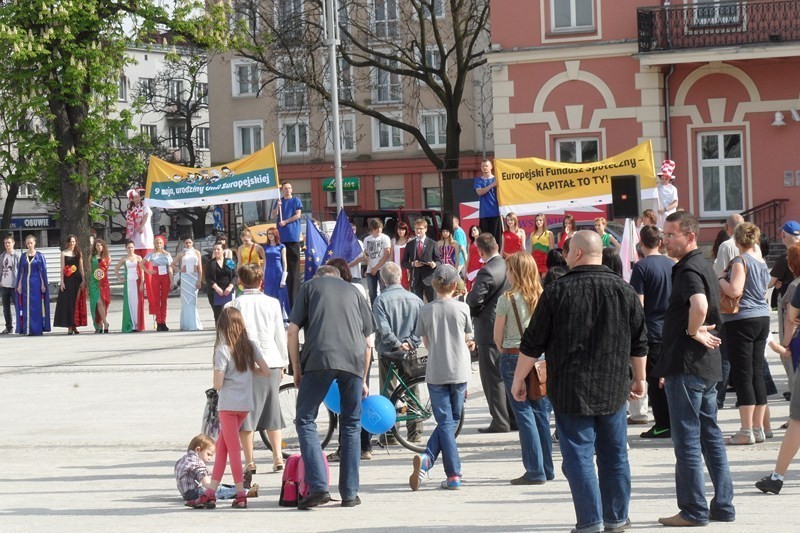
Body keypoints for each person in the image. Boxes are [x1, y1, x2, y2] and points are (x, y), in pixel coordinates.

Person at [511, 230, 646, 533]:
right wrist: (640, 379)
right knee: (615, 454)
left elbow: (533, 342)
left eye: (569, 249)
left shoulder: (557, 291)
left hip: (570, 388)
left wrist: (518, 379)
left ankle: (590, 522)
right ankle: (616, 517)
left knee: (579, 456)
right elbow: (640, 342)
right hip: (613, 386)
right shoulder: (624, 291)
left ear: (577, 254)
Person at [656, 211, 735, 527]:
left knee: (687, 439)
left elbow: (700, 305)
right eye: (664, 234)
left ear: (689, 236)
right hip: (705, 366)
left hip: (688, 365)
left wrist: (692, 330)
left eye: (670, 234)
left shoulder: (689, 269)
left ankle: (693, 510)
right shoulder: (704, 265)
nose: (665, 240)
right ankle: (723, 506)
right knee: (710, 436)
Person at [288, 264, 375, 509]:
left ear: (319, 277)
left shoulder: (308, 287)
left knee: (305, 419)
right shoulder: (355, 291)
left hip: (319, 358)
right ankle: (349, 494)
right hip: (354, 360)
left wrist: (296, 368)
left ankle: (318, 487)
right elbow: (369, 342)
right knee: (351, 424)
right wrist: (364, 378)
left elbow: (292, 331)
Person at [192, 307, 270, 510]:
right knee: (224, 449)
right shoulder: (249, 346)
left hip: (227, 405)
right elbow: (265, 370)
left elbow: (218, 383)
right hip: (244, 405)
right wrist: (245, 370)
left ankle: (241, 494)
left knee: (233, 451)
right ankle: (210, 494)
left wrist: (227, 375)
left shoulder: (223, 349)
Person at [409, 264, 474, 491]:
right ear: (455, 285)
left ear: (433, 285)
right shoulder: (462, 308)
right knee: (451, 420)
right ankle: (452, 472)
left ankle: (429, 458)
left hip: (436, 370)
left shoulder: (425, 310)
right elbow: (467, 336)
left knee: (446, 421)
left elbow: (425, 342)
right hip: (460, 369)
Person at [493, 252, 554, 485]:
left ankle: (534, 469)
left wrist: (504, 349)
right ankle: (546, 467)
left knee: (524, 413)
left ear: (515, 273)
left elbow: (497, 337)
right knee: (541, 412)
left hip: (514, 356)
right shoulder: (543, 295)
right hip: (540, 358)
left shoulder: (507, 299)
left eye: (509, 270)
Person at [225, 264, 288, 479]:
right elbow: (280, 333)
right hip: (270, 359)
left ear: (240, 282)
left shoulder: (234, 304)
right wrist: (283, 361)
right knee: (272, 409)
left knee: (247, 413)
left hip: (244, 363)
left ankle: (250, 461)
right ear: (261, 281)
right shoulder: (272, 303)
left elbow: (228, 336)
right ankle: (278, 456)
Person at [718, 222, 771, 445]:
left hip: (742, 320)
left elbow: (735, 290)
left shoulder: (739, 261)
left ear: (737, 240)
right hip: (762, 317)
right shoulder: (760, 262)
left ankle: (746, 430)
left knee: (742, 373)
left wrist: (721, 279)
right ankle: (758, 428)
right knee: (756, 372)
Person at [326, 257, 375, 460]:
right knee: (361, 398)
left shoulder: (335, 294)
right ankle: (365, 446)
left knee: (343, 404)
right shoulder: (358, 290)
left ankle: (345, 448)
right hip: (364, 350)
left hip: (344, 352)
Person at [466, 233, 514, 434]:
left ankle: (500, 420)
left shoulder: (487, 270)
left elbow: (474, 299)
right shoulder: (506, 264)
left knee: (492, 377)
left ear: (481, 251)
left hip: (489, 327)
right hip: (508, 325)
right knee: (507, 375)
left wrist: (475, 309)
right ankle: (513, 417)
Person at [629, 225, 674, 438]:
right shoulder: (672, 264)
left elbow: (638, 304)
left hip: (652, 329)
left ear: (642, 241)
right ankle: (671, 420)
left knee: (655, 381)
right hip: (671, 328)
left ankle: (663, 424)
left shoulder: (641, 267)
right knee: (670, 378)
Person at [373, 262, 424, 443]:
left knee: (388, 390)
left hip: (388, 351)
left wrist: (396, 344)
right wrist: (409, 343)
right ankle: (415, 432)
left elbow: (383, 329)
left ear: (382, 280)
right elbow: (420, 329)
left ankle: (389, 433)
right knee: (412, 388)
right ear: (400, 277)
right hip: (410, 350)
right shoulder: (416, 299)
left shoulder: (380, 300)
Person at [176, 434, 258, 508]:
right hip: (194, 493)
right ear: (198, 450)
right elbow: (207, 483)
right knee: (218, 490)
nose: (209, 458)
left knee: (219, 486)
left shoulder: (183, 459)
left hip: (185, 493)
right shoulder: (197, 463)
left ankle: (240, 487)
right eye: (208, 454)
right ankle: (245, 491)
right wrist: (212, 489)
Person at [770, 221, 800, 397]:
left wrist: (784, 344)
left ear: (784, 236)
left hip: (791, 307)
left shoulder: (786, 257)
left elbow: (769, 283)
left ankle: (794, 388)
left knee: (788, 354)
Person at [272, 182, 303, 307]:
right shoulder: (279, 201)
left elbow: (298, 215)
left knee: (293, 269)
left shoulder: (296, 200)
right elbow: (273, 215)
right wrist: (277, 207)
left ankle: (295, 298)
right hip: (281, 239)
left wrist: (286, 221)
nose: (287, 190)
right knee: (282, 268)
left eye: (289, 188)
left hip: (292, 238)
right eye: (285, 188)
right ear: (282, 190)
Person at [125, 188, 155, 316]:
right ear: (131, 199)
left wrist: (142, 226)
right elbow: (128, 224)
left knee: (148, 275)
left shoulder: (145, 207)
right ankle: (138, 307)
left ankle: (153, 307)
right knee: (137, 275)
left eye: (138, 197)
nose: (137, 199)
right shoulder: (130, 211)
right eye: (135, 197)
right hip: (135, 244)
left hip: (146, 243)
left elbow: (147, 215)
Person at [15, 235, 50, 336]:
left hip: (36, 284)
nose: (29, 245)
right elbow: (21, 271)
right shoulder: (23, 256)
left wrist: (43, 284)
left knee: (36, 307)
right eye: (27, 243)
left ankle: (37, 329)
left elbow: (42, 271)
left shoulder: (40, 256)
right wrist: (19, 284)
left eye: (31, 243)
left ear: (35, 243)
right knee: (26, 306)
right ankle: (27, 329)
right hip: (26, 284)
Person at [53, 234, 86, 335]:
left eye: (74, 241)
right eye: (71, 242)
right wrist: (62, 281)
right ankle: (69, 326)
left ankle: (75, 325)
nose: (72, 243)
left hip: (77, 279)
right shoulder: (63, 253)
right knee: (68, 303)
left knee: (76, 302)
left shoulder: (78, 253)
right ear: (68, 242)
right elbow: (62, 268)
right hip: (67, 280)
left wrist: (83, 280)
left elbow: (81, 267)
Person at [402, 218, 440, 303]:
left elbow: (439, 261)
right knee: (416, 304)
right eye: (416, 229)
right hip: (415, 279)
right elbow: (403, 263)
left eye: (420, 229)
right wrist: (412, 264)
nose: (418, 231)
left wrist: (434, 264)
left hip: (429, 278)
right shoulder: (410, 244)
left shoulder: (432, 243)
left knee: (432, 303)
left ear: (425, 229)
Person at [114, 241, 149, 333]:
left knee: (137, 302)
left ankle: (138, 324)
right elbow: (116, 268)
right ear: (126, 248)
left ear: (134, 248)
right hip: (128, 283)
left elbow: (142, 271)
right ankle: (131, 324)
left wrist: (142, 283)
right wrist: (120, 278)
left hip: (137, 283)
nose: (130, 249)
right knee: (129, 303)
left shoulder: (138, 257)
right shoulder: (124, 259)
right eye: (128, 247)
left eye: (132, 247)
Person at [144, 236, 174, 331]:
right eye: (157, 243)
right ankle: (158, 322)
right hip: (156, 277)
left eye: (160, 243)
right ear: (154, 244)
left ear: (163, 244)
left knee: (164, 300)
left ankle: (163, 322)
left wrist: (172, 281)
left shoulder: (167, 254)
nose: (159, 244)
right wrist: (149, 272)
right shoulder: (151, 254)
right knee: (157, 300)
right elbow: (141, 264)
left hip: (165, 277)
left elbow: (170, 268)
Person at [174, 236, 204, 331]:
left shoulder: (197, 252)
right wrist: (179, 270)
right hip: (185, 278)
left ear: (192, 243)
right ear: (184, 243)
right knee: (186, 301)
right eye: (186, 242)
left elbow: (200, 267)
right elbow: (172, 264)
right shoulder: (181, 254)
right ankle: (186, 324)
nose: (188, 244)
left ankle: (195, 323)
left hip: (194, 277)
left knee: (193, 300)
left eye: (189, 242)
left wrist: (199, 280)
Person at [262, 227, 290, 320]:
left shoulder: (281, 246)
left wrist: (284, 277)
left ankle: (282, 317)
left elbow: (285, 262)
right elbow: (264, 262)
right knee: (268, 294)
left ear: (276, 235)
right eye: (268, 234)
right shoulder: (265, 247)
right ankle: (270, 316)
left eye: (272, 233)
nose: (270, 236)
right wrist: (262, 275)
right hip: (268, 273)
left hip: (278, 272)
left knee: (280, 294)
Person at [361, 218, 392, 303]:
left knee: (383, 291)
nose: (379, 230)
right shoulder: (367, 239)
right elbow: (366, 253)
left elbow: (387, 255)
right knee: (372, 293)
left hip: (382, 269)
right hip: (370, 269)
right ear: (372, 228)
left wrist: (376, 268)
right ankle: (374, 311)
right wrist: (366, 259)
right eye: (376, 228)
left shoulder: (385, 238)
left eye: (380, 227)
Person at [474, 159, 502, 245]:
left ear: (491, 167)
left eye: (486, 166)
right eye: (482, 166)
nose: (484, 168)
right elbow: (479, 192)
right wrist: (491, 185)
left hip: (495, 213)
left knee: (496, 240)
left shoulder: (497, 179)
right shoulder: (478, 180)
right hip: (484, 214)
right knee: (485, 240)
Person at [207, 244, 236, 324]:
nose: (216, 251)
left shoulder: (229, 261)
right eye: (214, 249)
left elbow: (235, 275)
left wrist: (230, 287)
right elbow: (208, 278)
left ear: (223, 251)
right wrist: (217, 288)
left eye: (218, 249)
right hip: (215, 291)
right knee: (218, 314)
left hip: (228, 290)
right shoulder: (211, 263)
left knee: (229, 313)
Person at [89, 239, 111, 334]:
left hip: (103, 282)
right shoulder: (91, 257)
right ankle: (102, 324)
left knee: (102, 303)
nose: (99, 247)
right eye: (97, 245)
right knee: (96, 303)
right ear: (95, 247)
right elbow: (89, 271)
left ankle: (102, 323)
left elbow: (106, 271)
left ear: (103, 247)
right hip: (93, 282)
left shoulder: (107, 257)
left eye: (101, 245)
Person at [1, 234, 20, 334]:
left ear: (13, 243)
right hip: (4, 285)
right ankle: (9, 327)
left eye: (9, 242)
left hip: (14, 285)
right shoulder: (2, 256)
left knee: (18, 306)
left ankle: (20, 326)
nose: (7, 245)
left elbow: (20, 270)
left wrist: (19, 283)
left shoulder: (17, 256)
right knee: (6, 308)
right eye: (5, 243)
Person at [656, 160, 679, 228]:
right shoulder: (657, 188)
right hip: (658, 216)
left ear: (669, 179)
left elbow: (675, 203)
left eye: (666, 178)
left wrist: (664, 209)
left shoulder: (673, 189)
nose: (663, 180)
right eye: (662, 178)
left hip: (669, 215)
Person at [390, 221, 411, 290]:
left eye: (403, 229)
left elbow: (411, 256)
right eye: (399, 229)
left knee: (406, 288)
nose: (401, 231)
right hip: (396, 267)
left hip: (406, 268)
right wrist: (391, 267)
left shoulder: (409, 241)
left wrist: (409, 269)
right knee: (396, 287)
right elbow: (391, 256)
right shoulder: (393, 241)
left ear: (406, 230)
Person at [465, 225, 482, 292]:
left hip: (479, 266)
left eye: (474, 230)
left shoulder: (482, 242)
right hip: (471, 267)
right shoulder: (470, 244)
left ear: (479, 231)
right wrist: (466, 269)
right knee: (470, 286)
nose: (473, 232)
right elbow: (468, 257)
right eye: (472, 231)